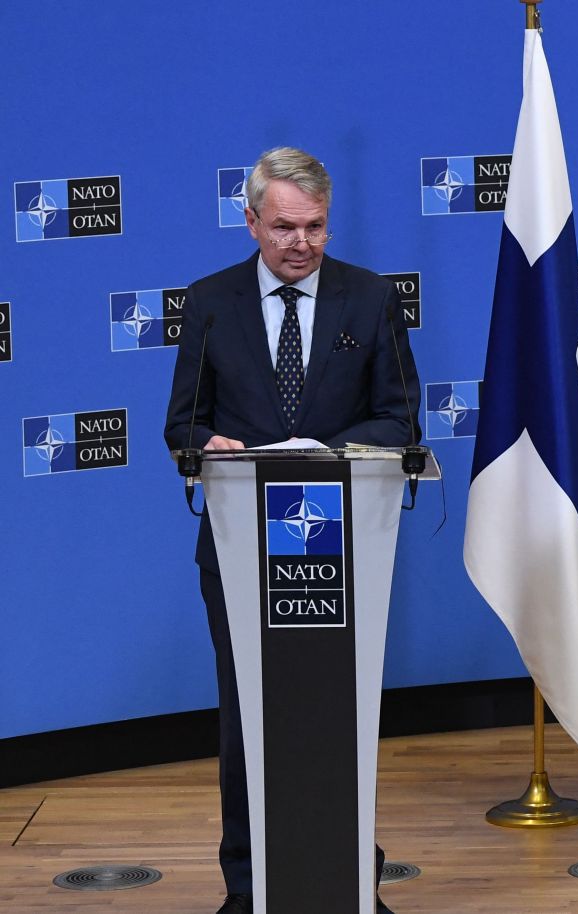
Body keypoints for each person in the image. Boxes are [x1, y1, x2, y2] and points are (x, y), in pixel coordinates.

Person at [164, 147, 417, 914]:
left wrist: (326, 453)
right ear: (251, 223)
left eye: (314, 227)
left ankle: (352, 882)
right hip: (243, 550)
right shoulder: (210, 302)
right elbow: (183, 422)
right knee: (249, 719)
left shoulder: (369, 299)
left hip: (345, 548)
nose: (300, 243)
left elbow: (401, 417)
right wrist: (205, 448)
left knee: (339, 715)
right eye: (283, 227)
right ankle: (249, 889)